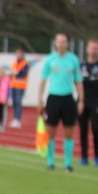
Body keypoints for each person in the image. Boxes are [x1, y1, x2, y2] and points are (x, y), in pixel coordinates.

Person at [36, 32, 83, 173]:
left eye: (64, 42)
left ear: (67, 43)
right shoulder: (50, 59)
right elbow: (43, 80)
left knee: (69, 132)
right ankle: (50, 162)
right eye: (59, 42)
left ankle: (68, 163)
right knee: (51, 132)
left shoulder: (73, 60)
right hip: (53, 98)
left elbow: (78, 81)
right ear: (55, 43)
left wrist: (81, 99)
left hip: (68, 98)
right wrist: (40, 98)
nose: (61, 44)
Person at [79, 39, 98, 167]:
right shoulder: (81, 65)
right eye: (92, 48)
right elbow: (79, 82)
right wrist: (92, 79)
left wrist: (88, 80)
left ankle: (97, 157)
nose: (93, 50)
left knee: (96, 129)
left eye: (96, 48)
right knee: (83, 130)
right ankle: (84, 157)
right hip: (82, 101)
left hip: (96, 102)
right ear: (87, 49)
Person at [9, 48, 30, 129]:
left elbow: (23, 74)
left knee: (18, 102)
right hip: (13, 85)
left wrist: (16, 74)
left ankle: (18, 119)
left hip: (21, 86)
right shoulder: (14, 63)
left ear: (23, 54)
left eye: (20, 53)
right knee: (14, 102)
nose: (18, 55)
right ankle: (15, 118)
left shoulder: (25, 64)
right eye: (17, 53)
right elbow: (12, 74)